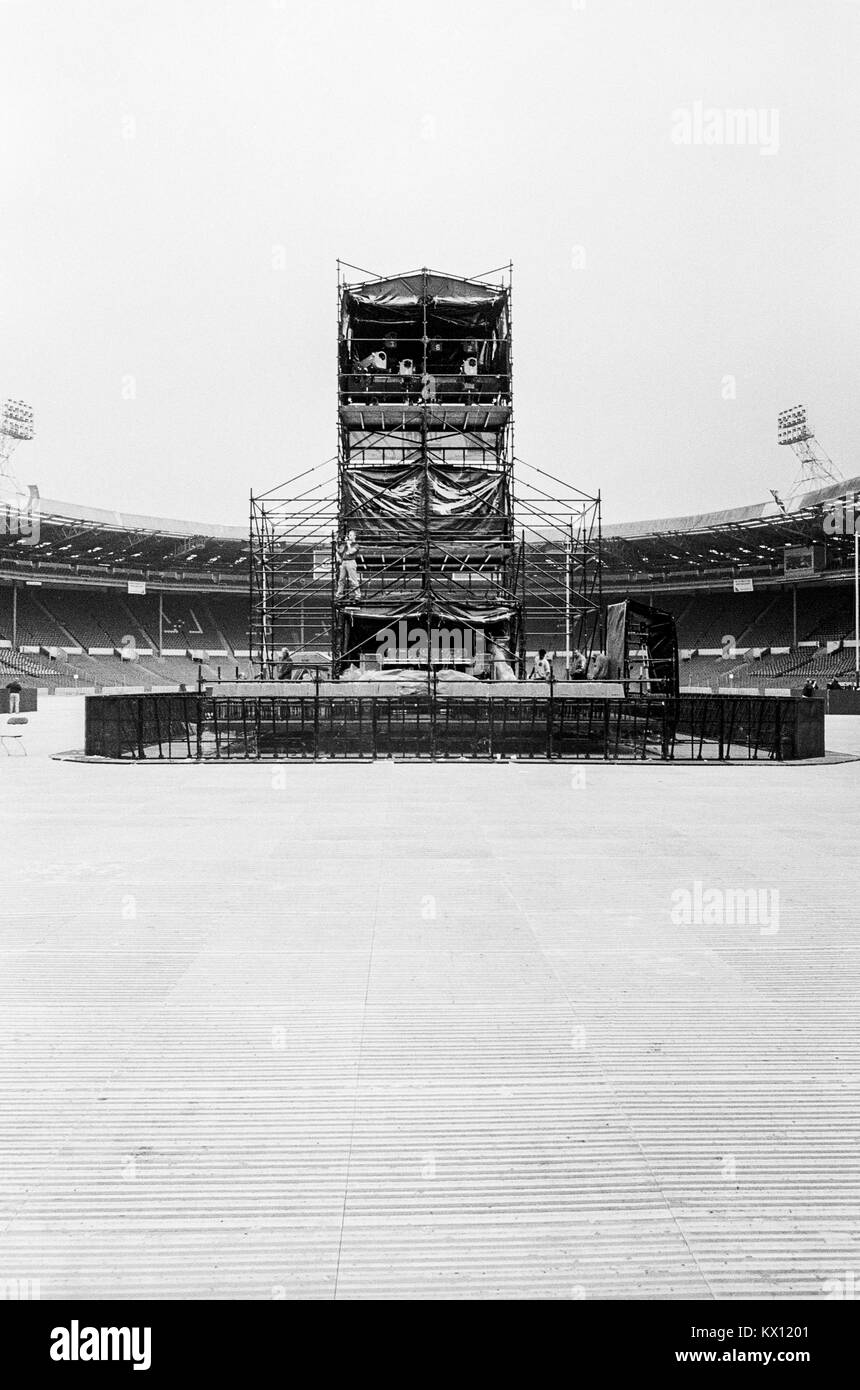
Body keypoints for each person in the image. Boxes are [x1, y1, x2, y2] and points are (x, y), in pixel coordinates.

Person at [335, 529, 361, 603]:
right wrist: (337, 543)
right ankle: (339, 595)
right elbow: (340, 551)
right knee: (341, 579)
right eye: (348, 535)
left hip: (351, 562)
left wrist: (348, 544)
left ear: (354, 536)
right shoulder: (345, 545)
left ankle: (357, 595)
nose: (349, 536)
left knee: (353, 580)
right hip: (344, 562)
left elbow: (350, 552)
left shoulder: (356, 545)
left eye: (350, 535)